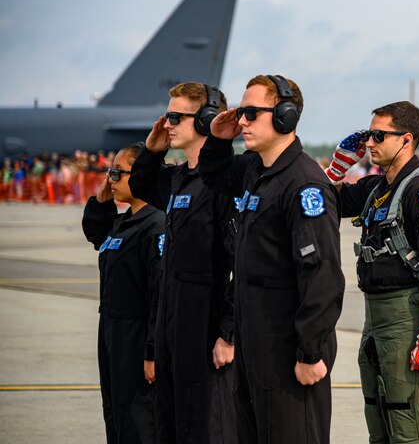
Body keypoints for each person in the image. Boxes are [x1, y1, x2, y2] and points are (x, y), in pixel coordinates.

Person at [199, 74, 344, 443]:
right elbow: (212, 174)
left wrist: (310, 352)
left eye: (250, 112)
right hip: (254, 349)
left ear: (285, 116)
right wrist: (218, 137)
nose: (242, 121)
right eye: (241, 112)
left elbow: (322, 276)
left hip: (288, 353)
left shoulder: (303, 184)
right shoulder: (254, 170)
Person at [325, 101, 419, 444]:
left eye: (378, 135)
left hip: (405, 318)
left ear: (406, 139)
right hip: (374, 319)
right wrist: (337, 168)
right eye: (368, 135)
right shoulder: (376, 187)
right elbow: (328, 201)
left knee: (406, 429)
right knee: (378, 423)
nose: (368, 143)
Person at [129, 82, 237, 443]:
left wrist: (227, 331)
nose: (168, 123)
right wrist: (151, 150)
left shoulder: (222, 184)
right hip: (172, 318)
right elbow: (142, 184)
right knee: (170, 421)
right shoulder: (179, 180)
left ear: (206, 120)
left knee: (206, 424)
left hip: (205, 321)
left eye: (176, 116)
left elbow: (240, 263)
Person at [82, 143, 165, 444]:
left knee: (139, 419)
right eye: (109, 172)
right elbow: (95, 232)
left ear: (141, 175)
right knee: (115, 412)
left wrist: (152, 351)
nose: (111, 179)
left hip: (137, 333)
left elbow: (160, 294)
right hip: (112, 332)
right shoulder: (123, 222)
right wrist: (103, 196)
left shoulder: (156, 224)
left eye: (117, 173)